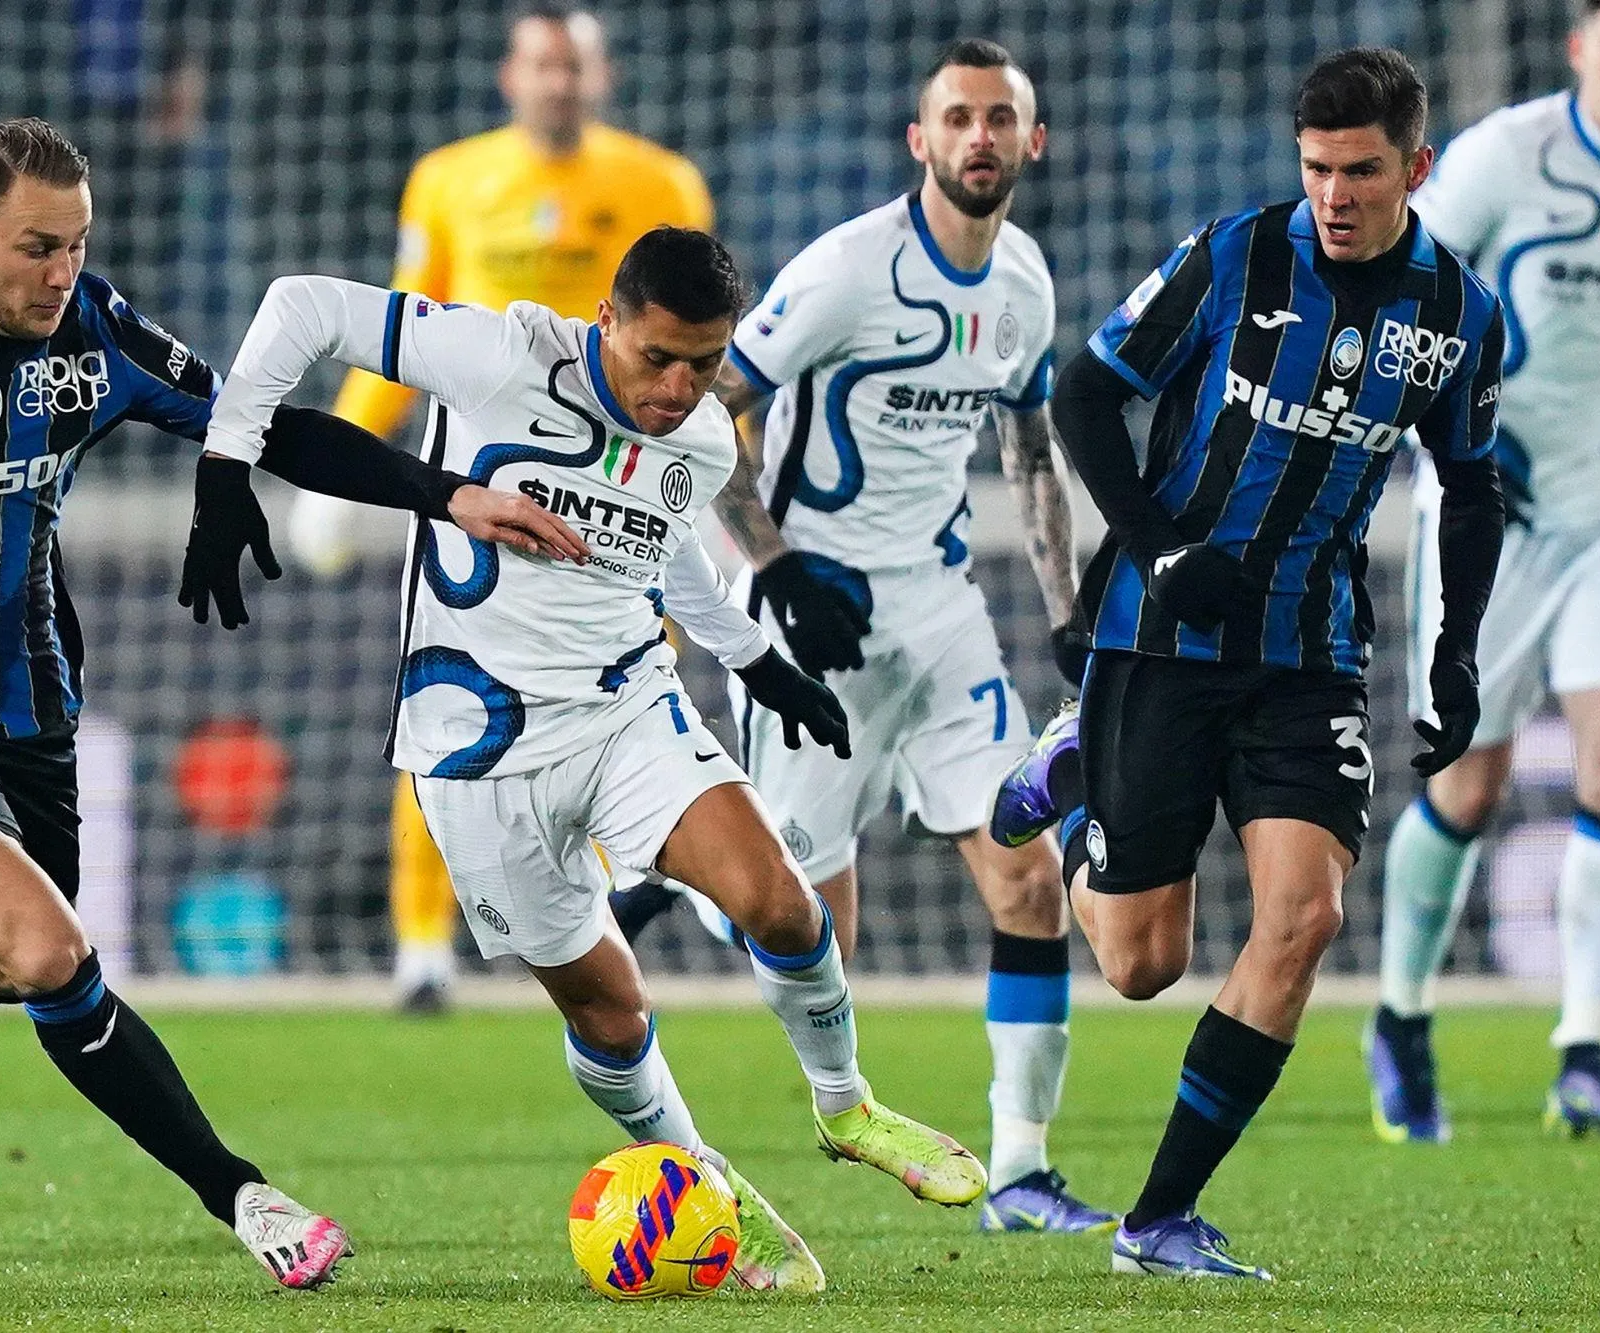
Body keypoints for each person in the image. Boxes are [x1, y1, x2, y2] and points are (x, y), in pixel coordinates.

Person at [0, 117, 577, 1293]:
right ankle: (247, 1196)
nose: (63, 272)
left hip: (30, 709)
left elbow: (265, 424)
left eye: (77, 245)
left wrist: (445, 494)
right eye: (37, 247)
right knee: (48, 949)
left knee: (9, 958)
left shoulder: (94, 336)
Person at [180, 227, 992, 1293]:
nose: (679, 388)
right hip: (476, 745)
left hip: (624, 706)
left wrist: (758, 663)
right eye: (658, 357)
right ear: (606, 319)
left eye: (704, 362)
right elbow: (301, 303)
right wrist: (227, 459)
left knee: (783, 905)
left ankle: (846, 1106)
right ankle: (709, 1186)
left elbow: (670, 548)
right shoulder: (500, 355)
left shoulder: (704, 437)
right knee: (610, 1010)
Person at [991, 49, 1506, 1277]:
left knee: (1306, 916)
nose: (1333, 195)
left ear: (1416, 169)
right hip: (1157, 634)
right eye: (1316, 167)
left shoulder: (1458, 314)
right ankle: (1079, 776)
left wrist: (1456, 654)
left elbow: (1471, 485)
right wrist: (1161, 549)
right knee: (1141, 964)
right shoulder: (1234, 254)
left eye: (1360, 171)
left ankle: (1157, 1219)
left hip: (1309, 654)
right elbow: (1082, 395)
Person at [617, 38, 1110, 1235]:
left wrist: (1063, 611)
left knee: (1027, 878)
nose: (980, 136)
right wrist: (776, 570)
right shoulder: (848, 270)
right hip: (818, 622)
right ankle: (678, 880)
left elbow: (1026, 450)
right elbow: (710, 410)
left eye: (1000, 117)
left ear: (1032, 141)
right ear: (919, 139)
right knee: (805, 923)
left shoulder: (1025, 281)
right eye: (959, 117)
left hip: (941, 615)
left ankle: (1021, 1170)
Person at [300, 3, 716, 1013]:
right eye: (543, 65)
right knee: (448, 709)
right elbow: (404, 327)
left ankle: (600, 923)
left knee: (620, 703)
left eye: (574, 66)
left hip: (617, 494)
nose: (558, 82)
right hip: (477, 494)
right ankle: (422, 948)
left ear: (601, 78)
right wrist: (338, 459)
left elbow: (689, 351)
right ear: (510, 76)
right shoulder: (448, 181)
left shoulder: (662, 185)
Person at [1366, 0, 1600, 1142]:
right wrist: (1454, 421)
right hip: (1491, 510)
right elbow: (1401, 280)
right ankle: (1400, 1016)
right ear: (1578, 48)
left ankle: (1584, 1045)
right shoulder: (1508, 158)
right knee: (1468, 783)